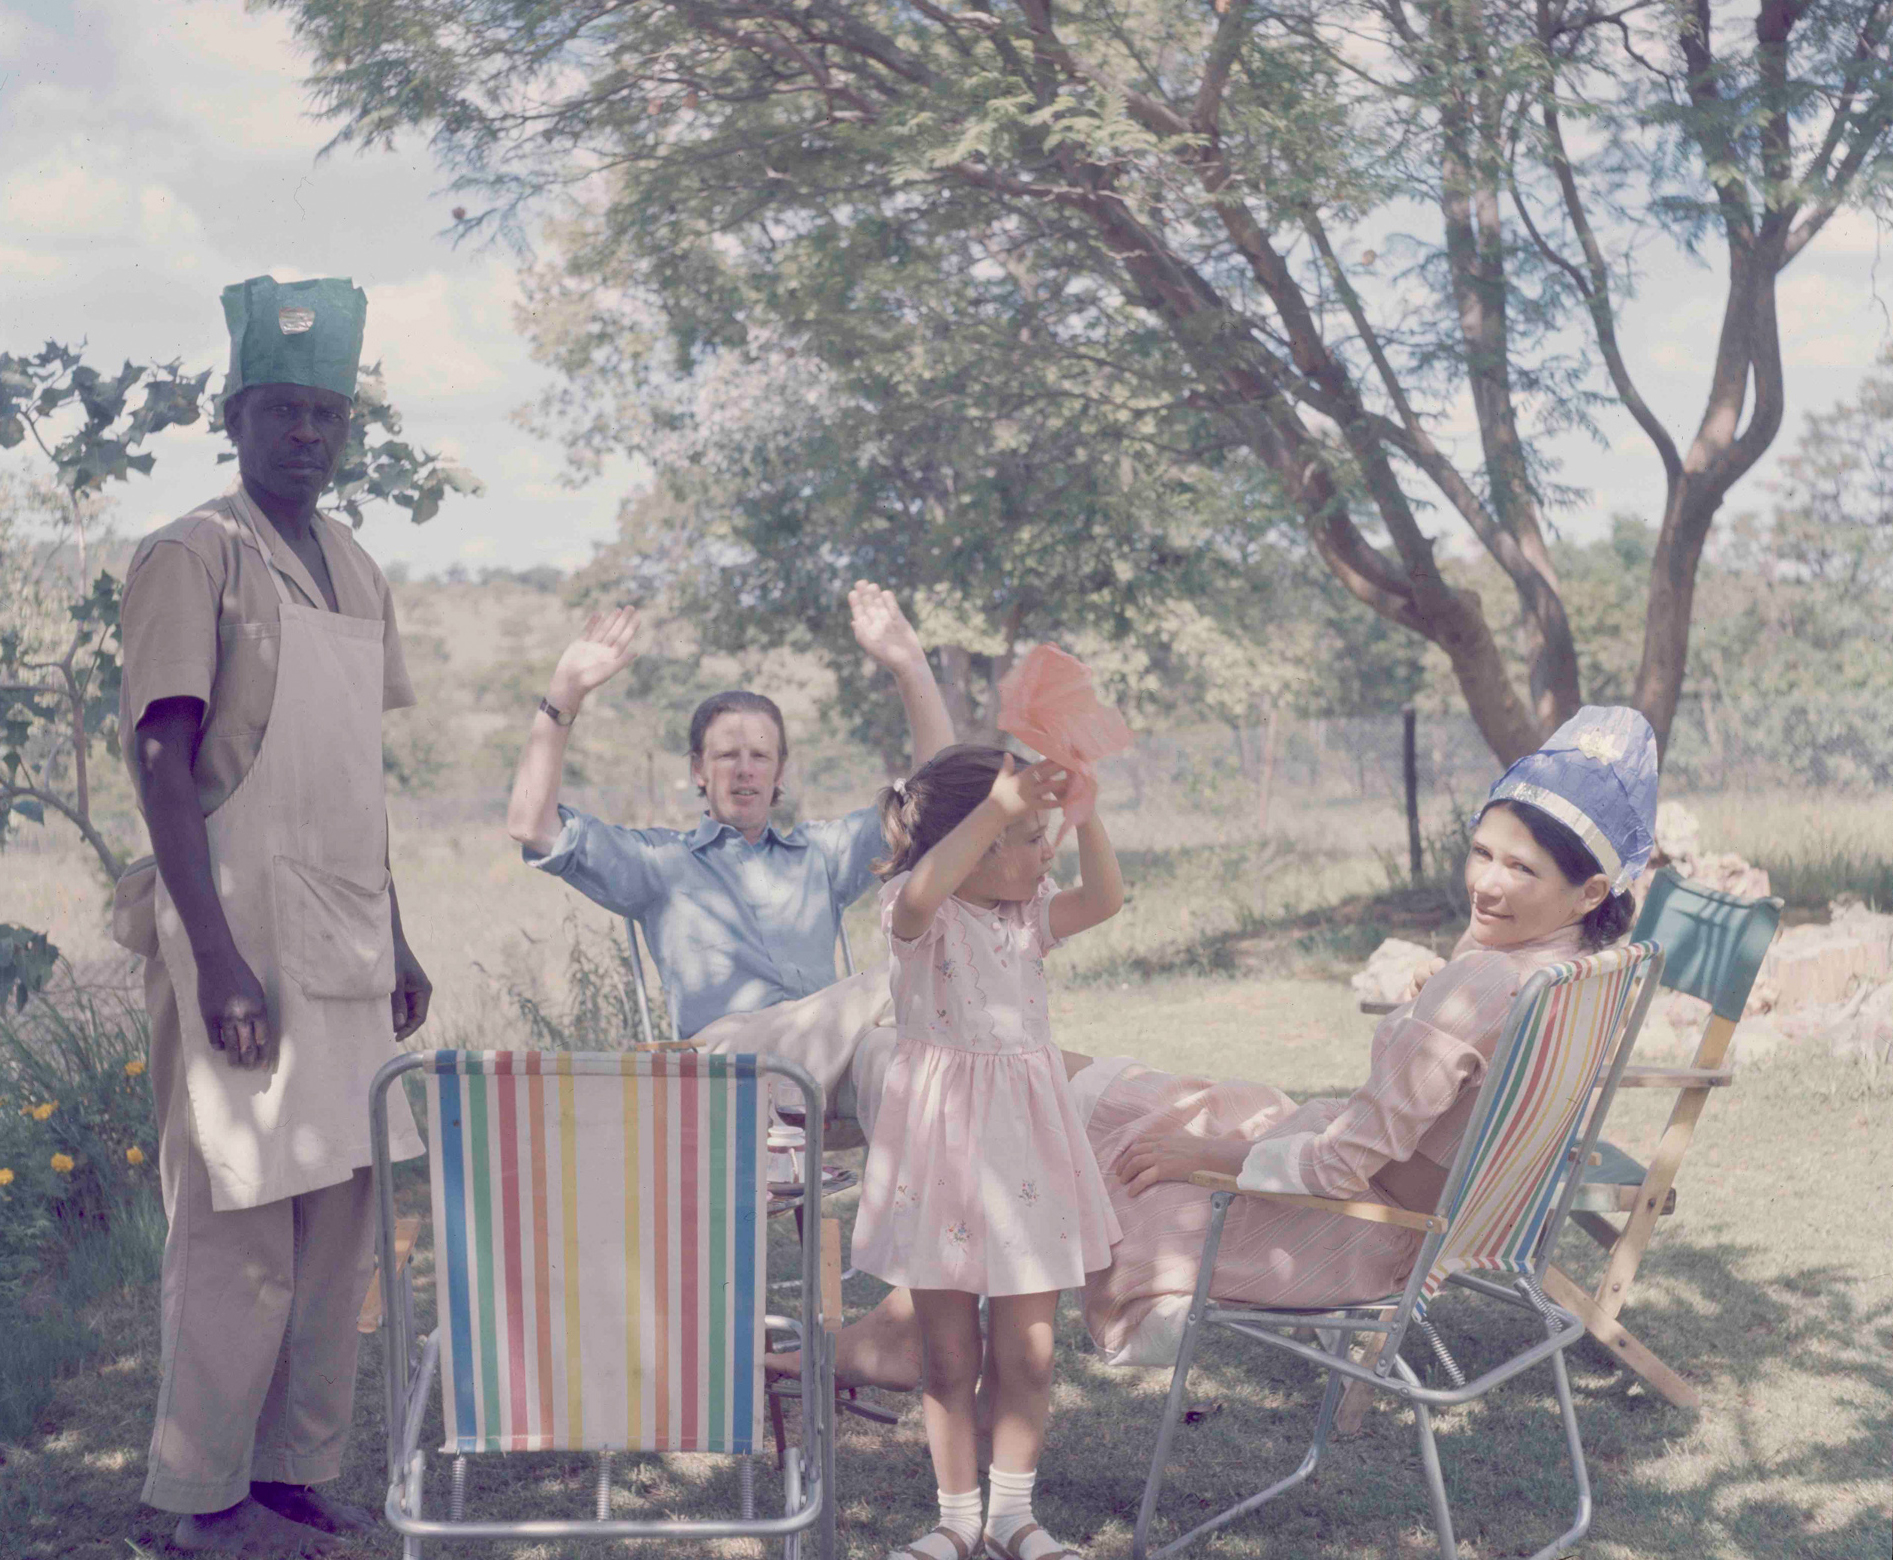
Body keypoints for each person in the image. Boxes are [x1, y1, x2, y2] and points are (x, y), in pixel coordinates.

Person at [803, 703, 1659, 1385]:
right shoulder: (1580, 976)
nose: (1487, 884)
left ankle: (909, 1317)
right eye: (1481, 853)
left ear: (1588, 891)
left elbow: (1339, 1166)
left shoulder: (1483, 987)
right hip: (1396, 1204)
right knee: (1103, 1096)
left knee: (1065, 1148)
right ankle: (898, 1293)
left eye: (1519, 869)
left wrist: (1209, 1159)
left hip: (1352, 1228)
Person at [111, 275, 430, 1556]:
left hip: (345, 933)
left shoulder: (354, 563)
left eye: (326, 414)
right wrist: (217, 958)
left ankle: (295, 1475)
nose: (306, 433)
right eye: (282, 409)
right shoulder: (194, 553)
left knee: (336, 1224)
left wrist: (397, 932)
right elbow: (161, 759)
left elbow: (357, 776)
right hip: (236, 932)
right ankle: (199, 1500)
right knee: (238, 1224)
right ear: (233, 414)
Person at [851, 744, 1125, 1560]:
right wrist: (999, 808)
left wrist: (1085, 814)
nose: (1045, 854)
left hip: (1026, 1155)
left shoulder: (1025, 914)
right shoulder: (917, 914)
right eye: (1030, 838)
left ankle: (1012, 1516)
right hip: (939, 1155)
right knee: (945, 1355)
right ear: (975, 845)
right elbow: (926, 888)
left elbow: (1104, 899)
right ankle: (955, 1519)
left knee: (1028, 1352)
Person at [505, 583, 954, 1041]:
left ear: (779, 771)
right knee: (883, 1002)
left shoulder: (820, 855)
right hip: (728, 1064)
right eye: (726, 756)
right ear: (698, 769)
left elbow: (936, 796)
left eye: (759, 757)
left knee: (889, 1046)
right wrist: (563, 696)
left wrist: (911, 669)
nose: (744, 771)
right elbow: (530, 825)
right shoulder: (660, 864)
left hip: (825, 1055)